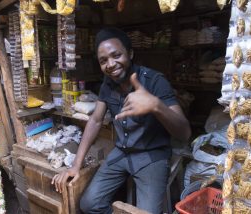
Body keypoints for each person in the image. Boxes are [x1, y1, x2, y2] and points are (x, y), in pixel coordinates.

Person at [52, 27, 191, 214]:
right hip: (122, 153)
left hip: (152, 156)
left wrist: (156, 105)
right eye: (103, 61)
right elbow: (95, 121)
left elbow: (185, 133)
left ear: (130, 53)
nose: (110, 64)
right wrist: (76, 165)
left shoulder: (155, 81)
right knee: (89, 204)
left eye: (116, 55)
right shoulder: (108, 84)